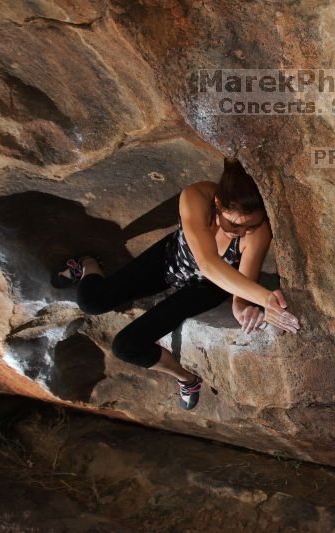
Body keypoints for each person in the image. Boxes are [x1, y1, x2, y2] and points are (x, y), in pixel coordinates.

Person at [51, 160, 301, 410]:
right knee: (91, 302)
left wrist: (245, 309)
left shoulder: (258, 233)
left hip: (207, 287)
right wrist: (265, 297)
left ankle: (187, 378)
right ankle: (88, 264)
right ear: (217, 204)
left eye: (251, 224)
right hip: (172, 259)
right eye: (235, 224)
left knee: (125, 347)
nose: (243, 231)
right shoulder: (197, 195)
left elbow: (240, 291)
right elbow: (207, 261)